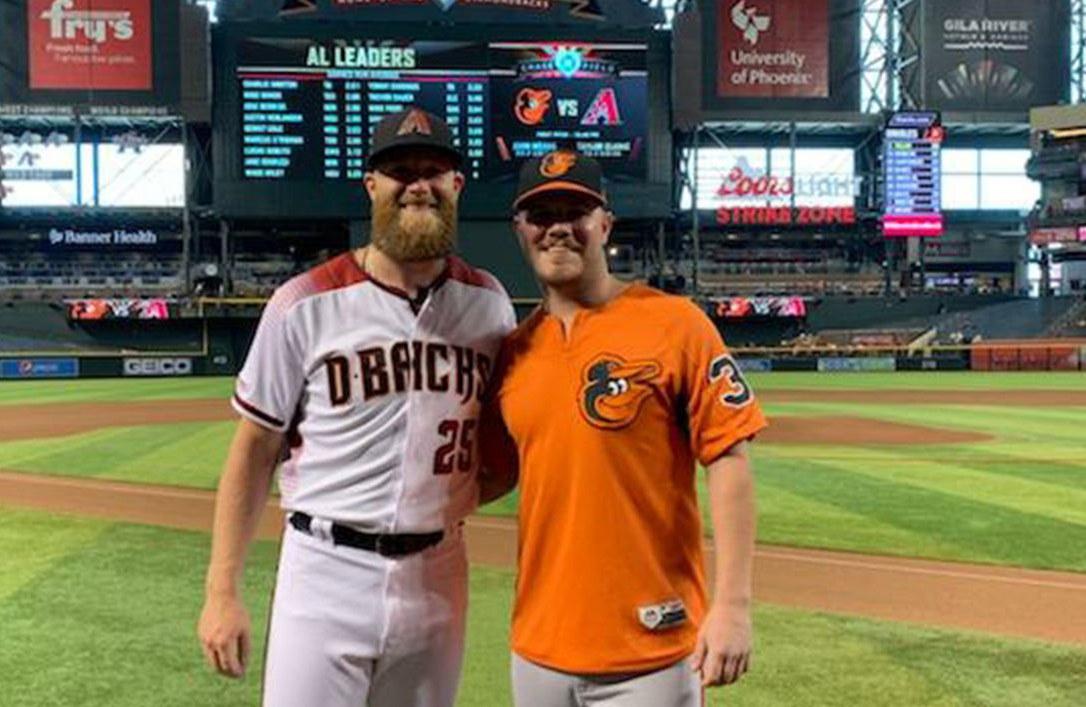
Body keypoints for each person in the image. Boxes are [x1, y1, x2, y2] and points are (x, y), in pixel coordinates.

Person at [197, 107, 515, 707]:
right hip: (324, 571)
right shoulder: (304, 302)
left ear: (456, 186)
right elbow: (254, 448)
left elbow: (507, 437)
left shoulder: (489, 306)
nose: (418, 184)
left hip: (440, 573)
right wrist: (222, 591)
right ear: (372, 185)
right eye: (400, 171)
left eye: (434, 170)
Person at [481, 149, 767, 706]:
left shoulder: (676, 323)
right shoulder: (512, 353)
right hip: (538, 644)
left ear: (605, 225)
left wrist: (733, 605)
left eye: (576, 212)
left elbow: (730, 460)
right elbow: (487, 476)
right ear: (520, 230)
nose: (558, 228)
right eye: (541, 216)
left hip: (653, 648)